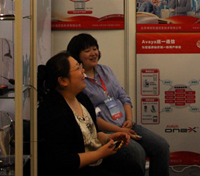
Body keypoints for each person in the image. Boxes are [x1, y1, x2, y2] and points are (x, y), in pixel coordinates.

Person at [67, 34, 170, 176]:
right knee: (137, 152)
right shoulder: (78, 81)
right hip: (107, 131)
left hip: (126, 124)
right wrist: (119, 130)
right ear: (77, 56)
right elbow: (90, 116)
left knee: (161, 146)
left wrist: (129, 120)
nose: (93, 53)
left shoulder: (106, 70)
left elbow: (123, 96)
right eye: (87, 51)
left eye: (95, 49)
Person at [38, 51, 143, 176]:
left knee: (133, 168)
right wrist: (99, 154)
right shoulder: (52, 112)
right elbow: (62, 161)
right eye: (77, 68)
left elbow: (93, 133)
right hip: (77, 167)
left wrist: (109, 138)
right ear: (63, 80)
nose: (83, 71)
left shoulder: (82, 99)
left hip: (96, 160)